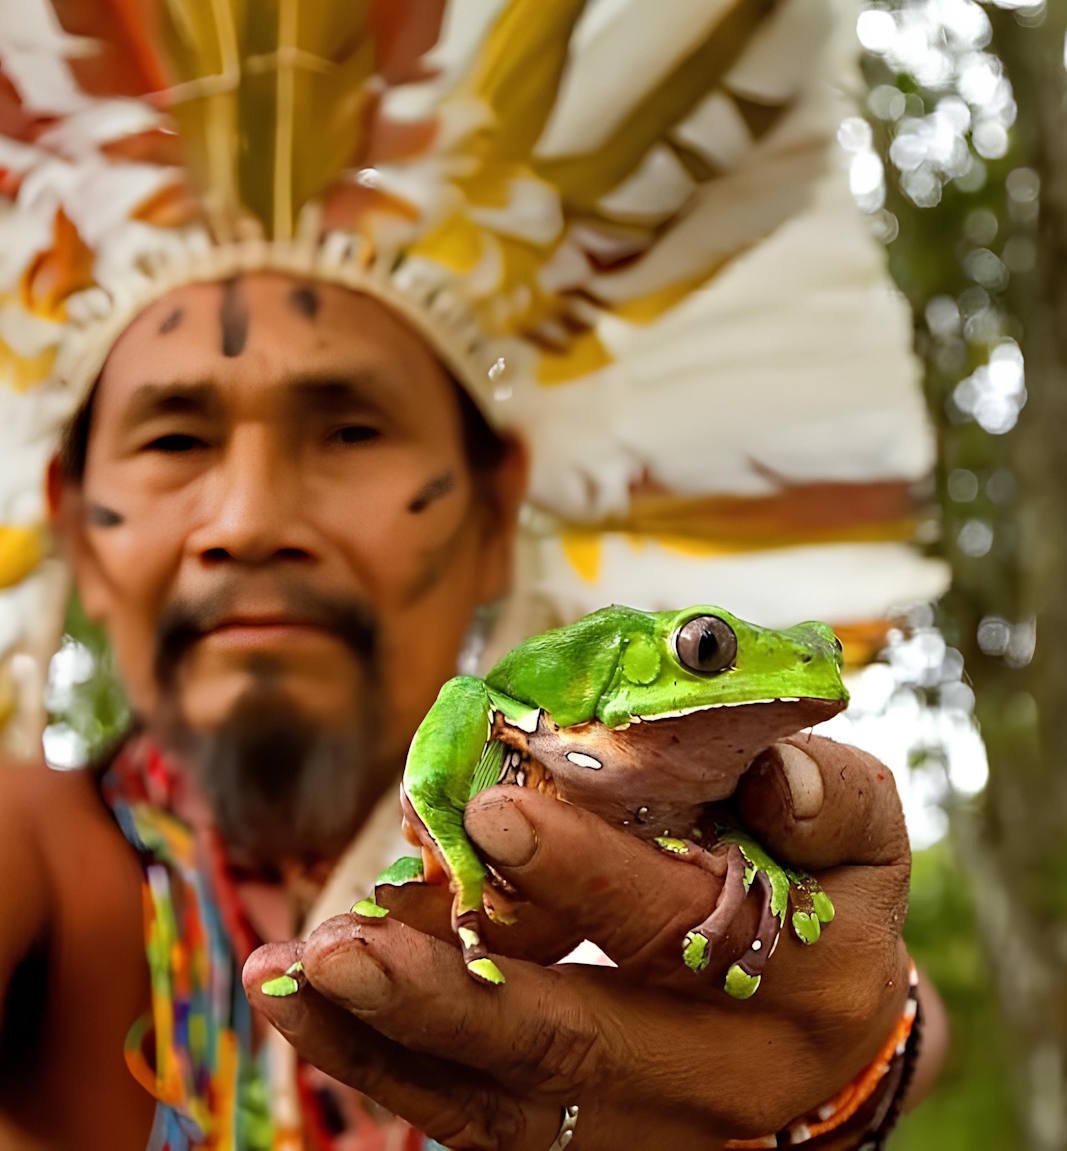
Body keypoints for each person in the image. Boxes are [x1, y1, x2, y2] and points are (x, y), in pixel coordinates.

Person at [0, 2, 948, 1148]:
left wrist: (856, 1060)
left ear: (497, 506)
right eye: (172, 440)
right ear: (75, 528)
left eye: (349, 430)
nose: (247, 521)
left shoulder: (629, 833)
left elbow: (894, 1002)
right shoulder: (39, 841)